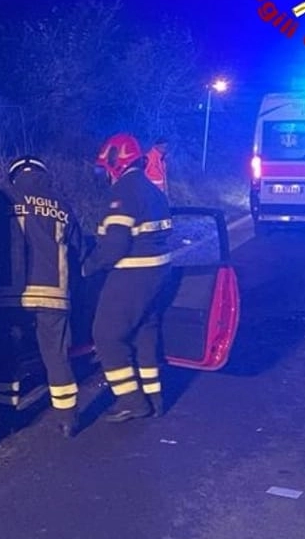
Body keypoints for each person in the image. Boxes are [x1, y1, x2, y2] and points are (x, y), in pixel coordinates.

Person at [0, 155, 84, 438]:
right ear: (43, 176)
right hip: (54, 296)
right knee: (56, 356)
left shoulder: (2, 198)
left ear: (14, 176)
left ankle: (6, 416)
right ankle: (68, 419)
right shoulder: (62, 206)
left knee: (7, 356)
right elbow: (79, 252)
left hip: (12, 296)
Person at [83, 133, 173, 422]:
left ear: (115, 161)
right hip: (158, 273)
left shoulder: (123, 191)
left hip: (132, 273)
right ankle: (154, 396)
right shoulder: (153, 190)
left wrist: (88, 266)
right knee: (144, 332)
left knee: (106, 335)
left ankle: (131, 401)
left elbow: (115, 244)